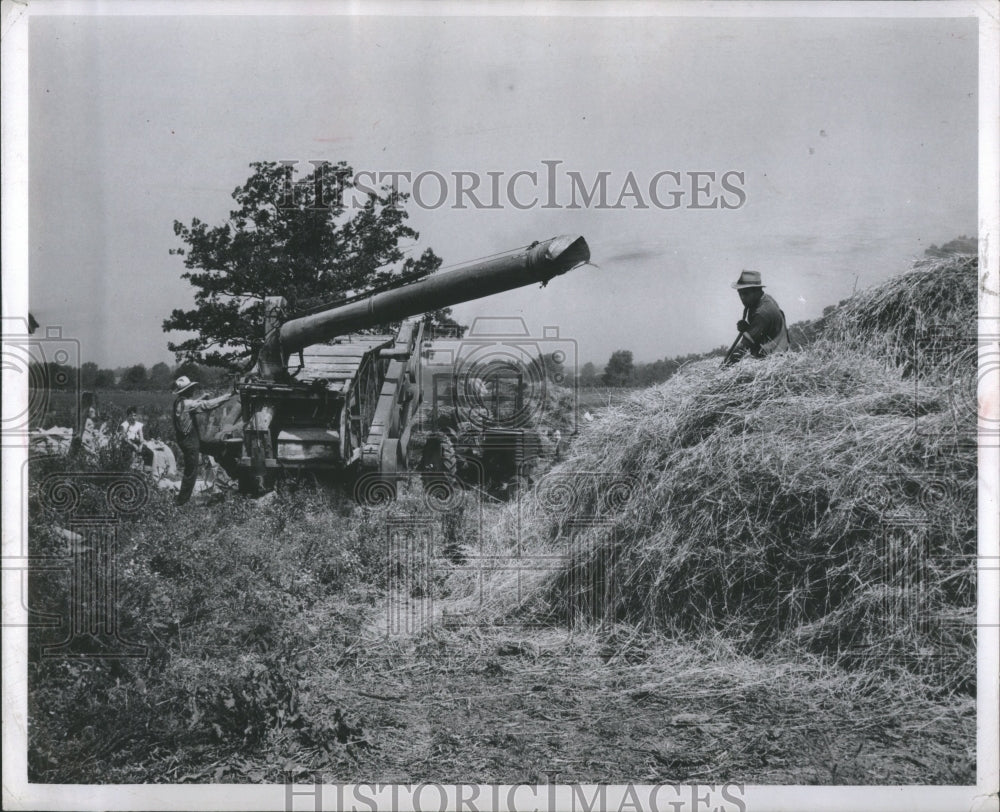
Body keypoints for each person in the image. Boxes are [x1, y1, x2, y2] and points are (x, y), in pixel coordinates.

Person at [172, 376, 231, 506]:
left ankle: (229, 475)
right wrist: (228, 395)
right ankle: (181, 502)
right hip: (190, 442)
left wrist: (201, 398)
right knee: (191, 472)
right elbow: (207, 406)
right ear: (186, 391)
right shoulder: (187, 404)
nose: (193, 390)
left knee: (218, 447)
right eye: (191, 389)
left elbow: (191, 404)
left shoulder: (179, 402)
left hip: (189, 440)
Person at [724, 270, 790, 365]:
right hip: (774, 354)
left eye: (746, 293)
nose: (742, 297)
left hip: (773, 361)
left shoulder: (762, 313)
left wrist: (724, 368)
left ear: (757, 291)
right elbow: (766, 331)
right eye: (740, 293)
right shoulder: (765, 299)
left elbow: (742, 348)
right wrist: (748, 329)